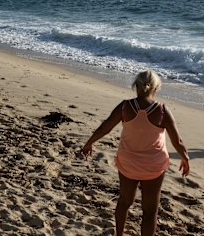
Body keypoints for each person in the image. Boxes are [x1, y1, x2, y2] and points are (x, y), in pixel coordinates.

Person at [81, 70, 190, 236]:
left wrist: (89, 143)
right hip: (154, 166)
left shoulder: (125, 106)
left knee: (125, 201)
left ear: (136, 86)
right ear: (156, 88)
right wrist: (185, 157)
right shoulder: (162, 110)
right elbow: (178, 141)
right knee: (150, 210)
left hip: (128, 163)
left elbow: (105, 127)